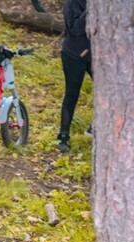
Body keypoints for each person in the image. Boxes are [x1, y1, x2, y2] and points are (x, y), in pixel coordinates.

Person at [57, 0, 92, 152]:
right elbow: (76, 28)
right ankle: (63, 135)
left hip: (95, 55)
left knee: (110, 93)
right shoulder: (71, 3)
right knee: (72, 94)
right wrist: (92, 9)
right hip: (73, 54)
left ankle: (95, 126)